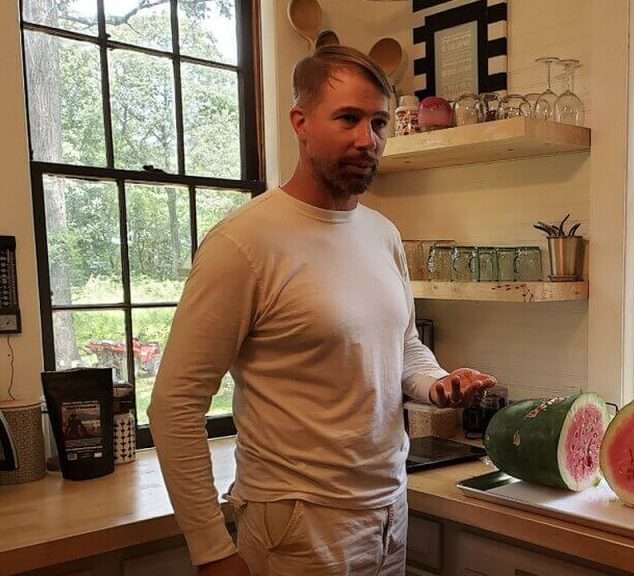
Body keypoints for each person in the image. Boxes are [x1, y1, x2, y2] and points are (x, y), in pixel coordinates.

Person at [148, 45, 496, 576]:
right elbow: (174, 406)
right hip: (296, 523)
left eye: (379, 121)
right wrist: (212, 550)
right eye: (349, 118)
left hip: (388, 510)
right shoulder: (243, 244)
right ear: (301, 122)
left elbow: (401, 346)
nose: (368, 138)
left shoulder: (383, 234)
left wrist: (437, 383)